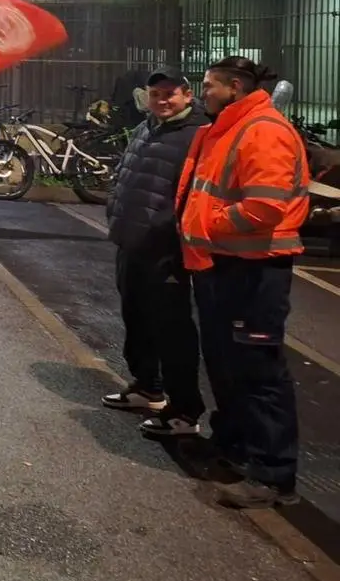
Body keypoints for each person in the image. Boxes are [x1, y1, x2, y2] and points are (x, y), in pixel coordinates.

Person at [178, 56, 309, 509]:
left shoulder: (263, 131)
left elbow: (265, 207)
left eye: (210, 85)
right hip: (224, 264)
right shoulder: (230, 127)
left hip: (254, 271)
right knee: (226, 365)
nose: (202, 92)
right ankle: (231, 448)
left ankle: (273, 475)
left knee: (258, 371)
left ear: (234, 86)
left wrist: (208, 223)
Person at [102, 67, 207, 436]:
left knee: (172, 328)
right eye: (156, 94)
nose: (162, 100)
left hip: (165, 248)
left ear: (187, 95)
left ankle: (184, 410)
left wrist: (171, 231)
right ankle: (147, 386)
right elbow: (127, 173)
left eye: (170, 94)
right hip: (131, 240)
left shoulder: (198, 135)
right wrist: (115, 206)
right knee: (136, 317)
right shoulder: (150, 127)